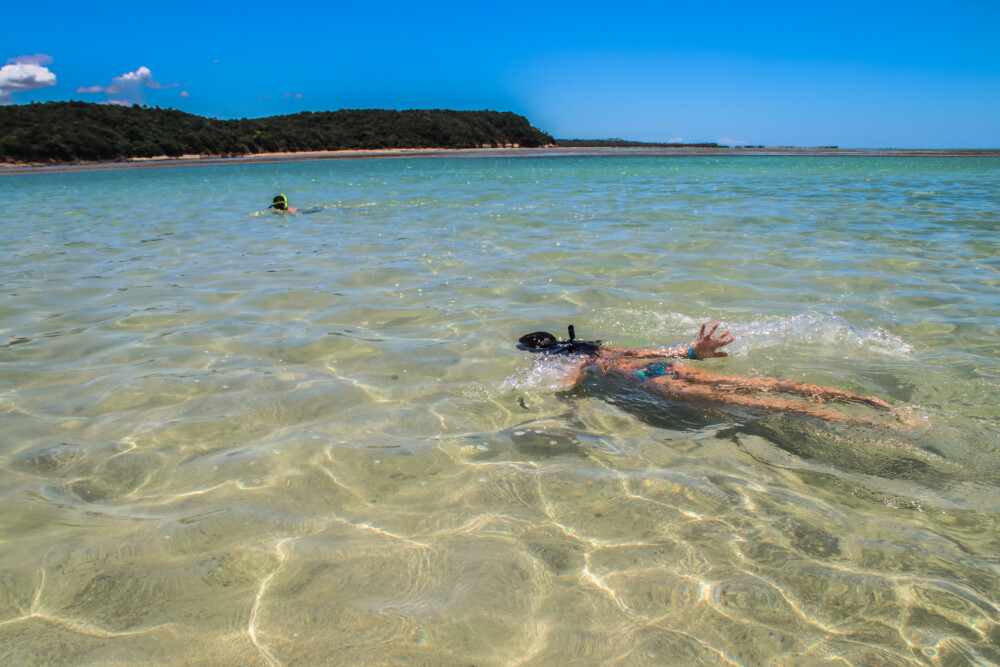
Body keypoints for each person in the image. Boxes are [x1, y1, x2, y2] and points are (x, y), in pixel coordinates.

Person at [517, 322, 892, 422]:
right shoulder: (597, 347)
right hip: (662, 368)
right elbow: (656, 352)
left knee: (765, 405)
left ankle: (876, 427)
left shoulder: (567, 358)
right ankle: (867, 402)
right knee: (764, 387)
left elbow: (568, 386)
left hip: (652, 382)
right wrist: (695, 352)